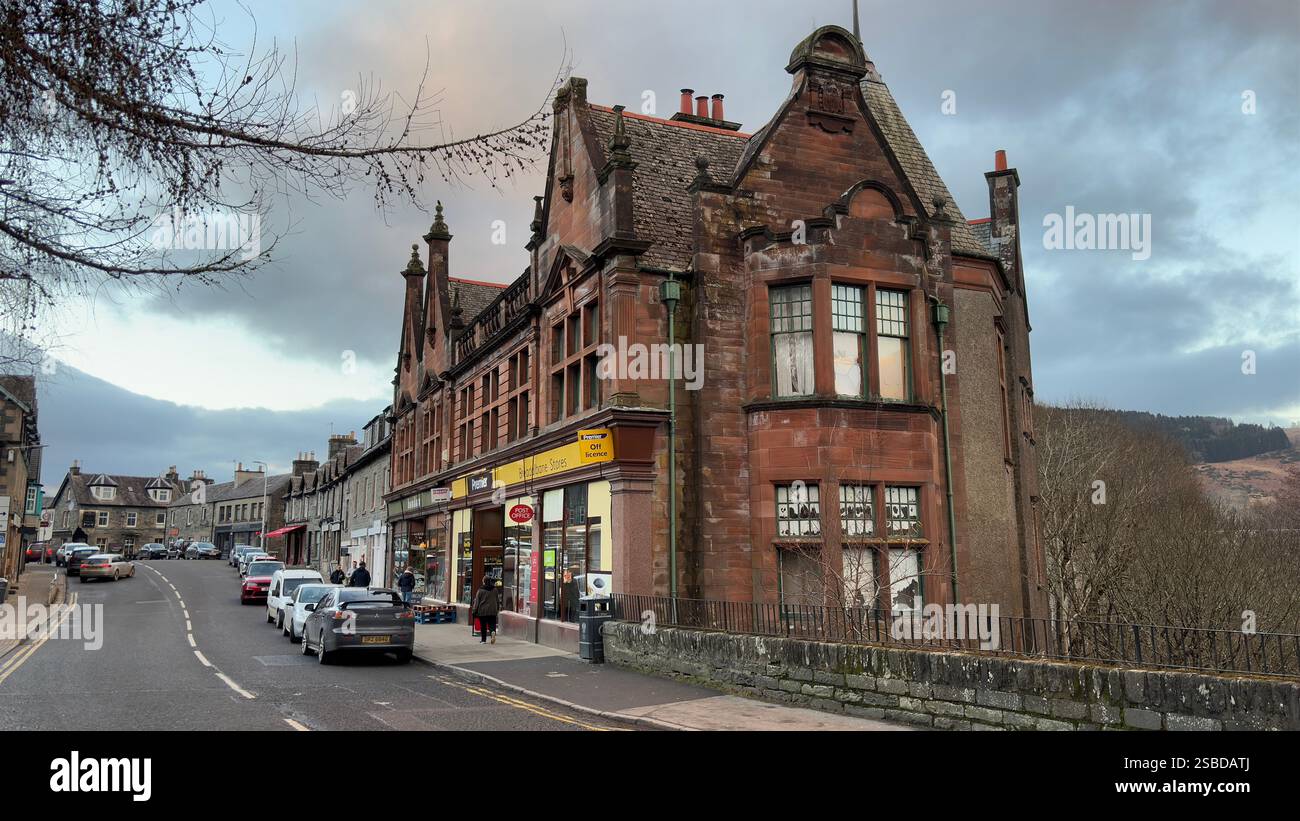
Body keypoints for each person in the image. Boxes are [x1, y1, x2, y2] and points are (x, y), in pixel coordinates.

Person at [471, 577, 501, 644]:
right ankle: (492, 632)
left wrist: (474, 610)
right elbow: (497, 600)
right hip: (493, 610)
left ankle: (483, 640)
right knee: (492, 624)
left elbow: (477, 602)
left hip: (483, 611)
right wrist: (497, 609)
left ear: (484, 581)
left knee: (483, 626)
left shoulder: (480, 590)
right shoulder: (495, 589)